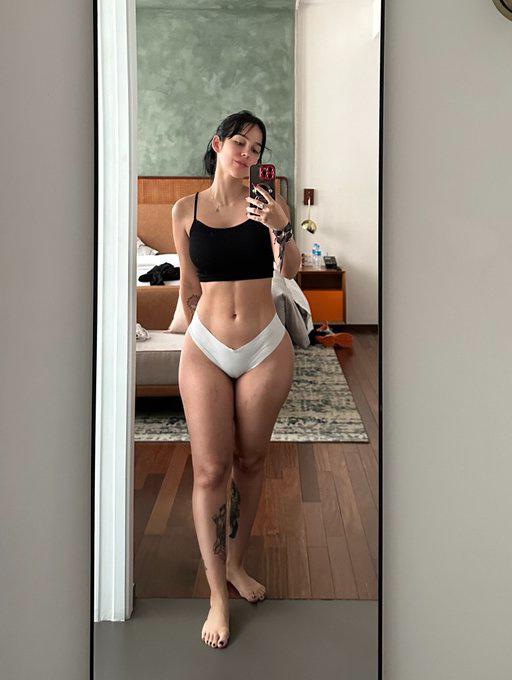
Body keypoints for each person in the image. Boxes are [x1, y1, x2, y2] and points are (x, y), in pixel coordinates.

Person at [172, 110, 301, 650]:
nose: (248, 154)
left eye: (257, 148)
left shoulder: (268, 205)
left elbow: (290, 271)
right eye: (240, 144)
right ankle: (217, 597)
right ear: (218, 144)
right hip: (205, 346)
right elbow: (188, 284)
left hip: (264, 347)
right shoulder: (185, 210)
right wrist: (187, 331)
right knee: (209, 471)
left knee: (250, 461)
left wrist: (281, 226)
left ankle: (236, 566)